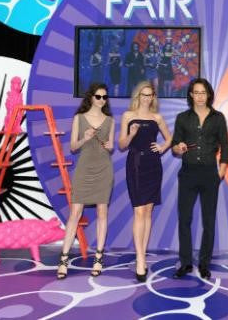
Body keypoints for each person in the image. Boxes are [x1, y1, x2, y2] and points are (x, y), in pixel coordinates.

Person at [171, 78, 228, 279]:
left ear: (209, 95)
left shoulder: (218, 118)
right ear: (191, 95)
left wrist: (221, 171)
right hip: (188, 173)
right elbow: (175, 144)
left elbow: (225, 146)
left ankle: (205, 264)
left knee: (209, 221)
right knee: (184, 219)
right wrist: (178, 148)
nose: (200, 96)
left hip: (210, 174)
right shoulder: (182, 118)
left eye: (203, 92)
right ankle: (186, 263)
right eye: (196, 92)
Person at [56, 83, 115, 279]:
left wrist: (109, 146)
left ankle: (98, 258)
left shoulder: (110, 120)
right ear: (91, 97)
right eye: (98, 96)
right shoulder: (79, 118)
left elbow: (111, 146)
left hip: (104, 170)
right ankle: (63, 260)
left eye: (104, 97)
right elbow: (73, 147)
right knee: (75, 213)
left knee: (102, 212)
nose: (101, 100)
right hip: (84, 170)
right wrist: (85, 138)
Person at [118, 81, 172, 282]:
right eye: (144, 94)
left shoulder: (157, 117)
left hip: (153, 165)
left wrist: (163, 147)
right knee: (139, 211)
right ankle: (140, 258)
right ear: (138, 96)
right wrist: (132, 134)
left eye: (150, 95)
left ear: (153, 97)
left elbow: (170, 138)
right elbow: (121, 145)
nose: (147, 98)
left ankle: (142, 254)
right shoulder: (128, 116)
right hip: (135, 164)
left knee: (148, 211)